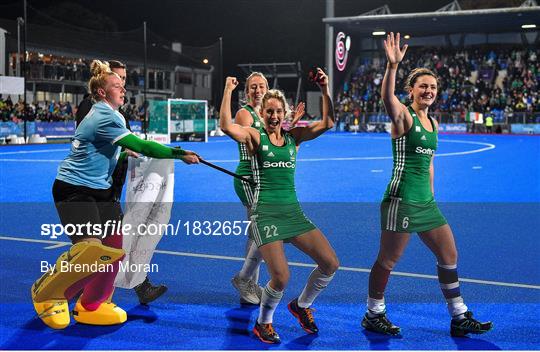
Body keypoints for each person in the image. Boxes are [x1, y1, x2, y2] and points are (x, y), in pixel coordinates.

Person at [31, 60, 200, 329]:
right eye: (117, 86)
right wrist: (178, 154)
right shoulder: (103, 115)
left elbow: (107, 147)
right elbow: (143, 145)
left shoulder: (115, 114)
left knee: (113, 251)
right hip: (75, 190)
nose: (124, 90)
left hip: (99, 191)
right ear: (101, 92)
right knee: (90, 252)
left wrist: (122, 152)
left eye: (123, 85)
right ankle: (47, 292)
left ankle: (91, 305)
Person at [361, 32, 492, 337]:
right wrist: (393, 66)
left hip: (425, 202)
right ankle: (373, 312)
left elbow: (429, 162)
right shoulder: (404, 117)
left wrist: (432, 195)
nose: (429, 91)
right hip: (401, 199)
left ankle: (459, 315)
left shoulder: (433, 124)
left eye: (433, 87)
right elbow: (387, 100)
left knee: (449, 255)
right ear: (412, 91)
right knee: (388, 259)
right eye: (423, 86)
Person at [220, 69, 339, 344]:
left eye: (278, 112)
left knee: (331, 263)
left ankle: (302, 304)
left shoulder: (293, 137)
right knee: (281, 277)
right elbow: (227, 125)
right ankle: (264, 323)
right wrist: (228, 90)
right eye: (269, 112)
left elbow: (329, 121)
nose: (273, 117)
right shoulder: (254, 136)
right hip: (266, 214)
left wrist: (325, 87)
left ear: (284, 113)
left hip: (293, 213)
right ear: (262, 114)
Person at [76, 60, 168, 305]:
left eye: (125, 79)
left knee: (113, 240)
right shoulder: (92, 106)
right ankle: (85, 290)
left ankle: (118, 286)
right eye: (118, 79)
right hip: (93, 187)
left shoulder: (115, 108)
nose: (123, 84)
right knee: (101, 244)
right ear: (105, 82)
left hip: (112, 183)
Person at [230, 72, 305, 305]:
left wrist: (287, 125)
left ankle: (248, 282)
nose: (258, 90)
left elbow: (276, 138)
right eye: (253, 87)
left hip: (262, 177)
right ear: (247, 91)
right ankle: (246, 283)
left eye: (261, 85)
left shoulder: (267, 113)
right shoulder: (245, 113)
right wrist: (282, 121)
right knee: (264, 230)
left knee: (258, 232)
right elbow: (258, 137)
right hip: (249, 177)